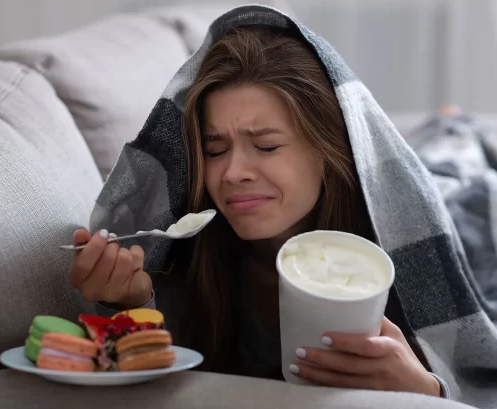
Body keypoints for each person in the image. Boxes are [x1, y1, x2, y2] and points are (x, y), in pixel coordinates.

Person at [67, 25, 443, 397]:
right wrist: (127, 302)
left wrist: (426, 391)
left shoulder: (404, 258)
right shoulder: (186, 259)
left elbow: (468, 378)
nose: (233, 173)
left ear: (329, 151)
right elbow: (149, 378)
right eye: (215, 151)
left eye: (266, 146)